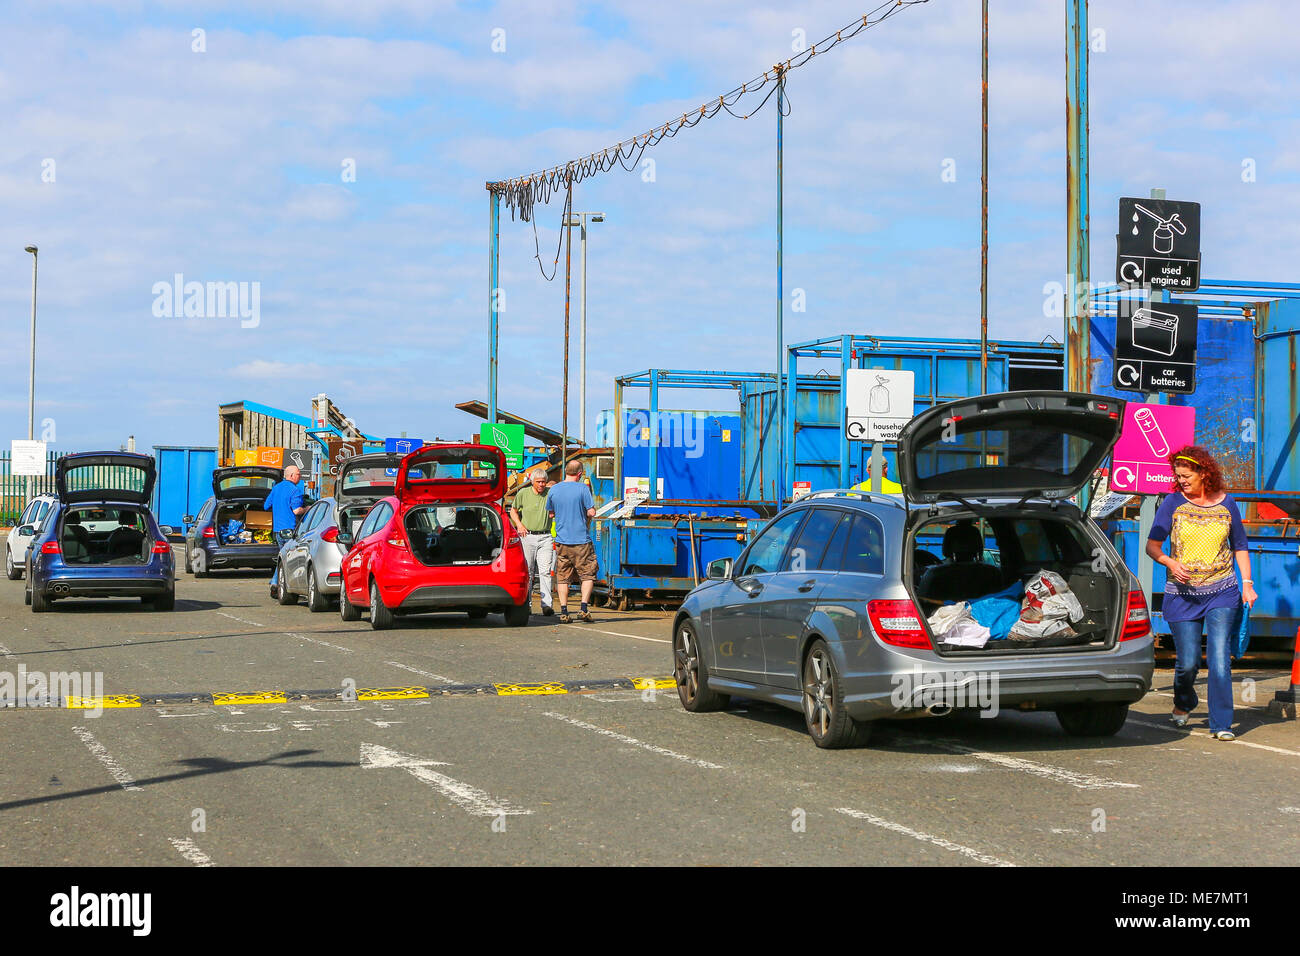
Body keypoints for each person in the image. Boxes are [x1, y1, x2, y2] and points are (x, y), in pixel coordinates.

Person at [1145, 445, 1256, 740]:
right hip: (1182, 595)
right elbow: (1152, 545)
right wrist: (1169, 561)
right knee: (1189, 662)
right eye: (1177, 476)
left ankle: (1221, 724)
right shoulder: (1172, 504)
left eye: (1186, 475)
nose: (1181, 480)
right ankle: (1184, 701)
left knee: (1219, 658)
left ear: (1204, 473)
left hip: (1223, 590)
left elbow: (1240, 546)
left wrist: (1247, 584)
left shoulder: (1227, 504)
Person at [546, 460, 597, 624]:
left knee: (563, 577)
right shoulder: (583, 488)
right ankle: (583, 608)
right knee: (587, 574)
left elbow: (551, 514)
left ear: (566, 471)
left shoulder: (554, 489)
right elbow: (591, 512)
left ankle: (564, 611)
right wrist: (590, 511)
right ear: (580, 474)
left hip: (562, 541)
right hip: (581, 540)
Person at [509, 467, 555, 617]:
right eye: (539, 482)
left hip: (546, 537)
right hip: (528, 537)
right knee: (528, 572)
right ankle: (526, 605)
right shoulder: (523, 493)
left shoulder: (550, 494)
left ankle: (547, 605)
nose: (542, 485)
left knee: (545, 572)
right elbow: (513, 510)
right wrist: (519, 525)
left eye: (544, 482)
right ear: (532, 482)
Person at [266, 464, 307, 593]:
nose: (299, 477)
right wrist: (308, 509)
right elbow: (296, 511)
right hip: (289, 531)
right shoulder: (295, 490)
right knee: (288, 560)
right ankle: (278, 583)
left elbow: (266, 506)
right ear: (291, 476)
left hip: (277, 531)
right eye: (298, 474)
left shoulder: (276, 488)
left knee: (283, 558)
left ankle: (276, 583)